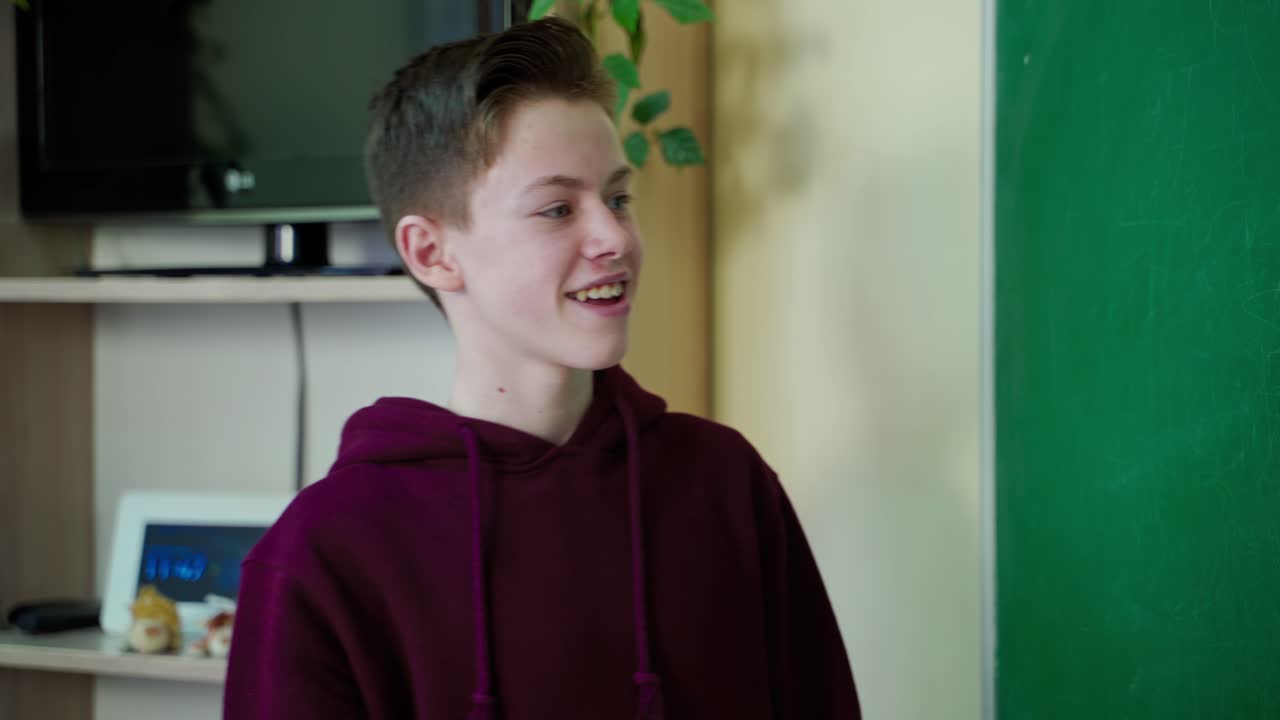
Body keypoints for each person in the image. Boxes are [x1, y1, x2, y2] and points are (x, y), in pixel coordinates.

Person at [223, 16, 859, 720]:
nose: (614, 237)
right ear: (432, 253)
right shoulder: (322, 553)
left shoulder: (726, 482)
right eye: (557, 209)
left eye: (618, 198)